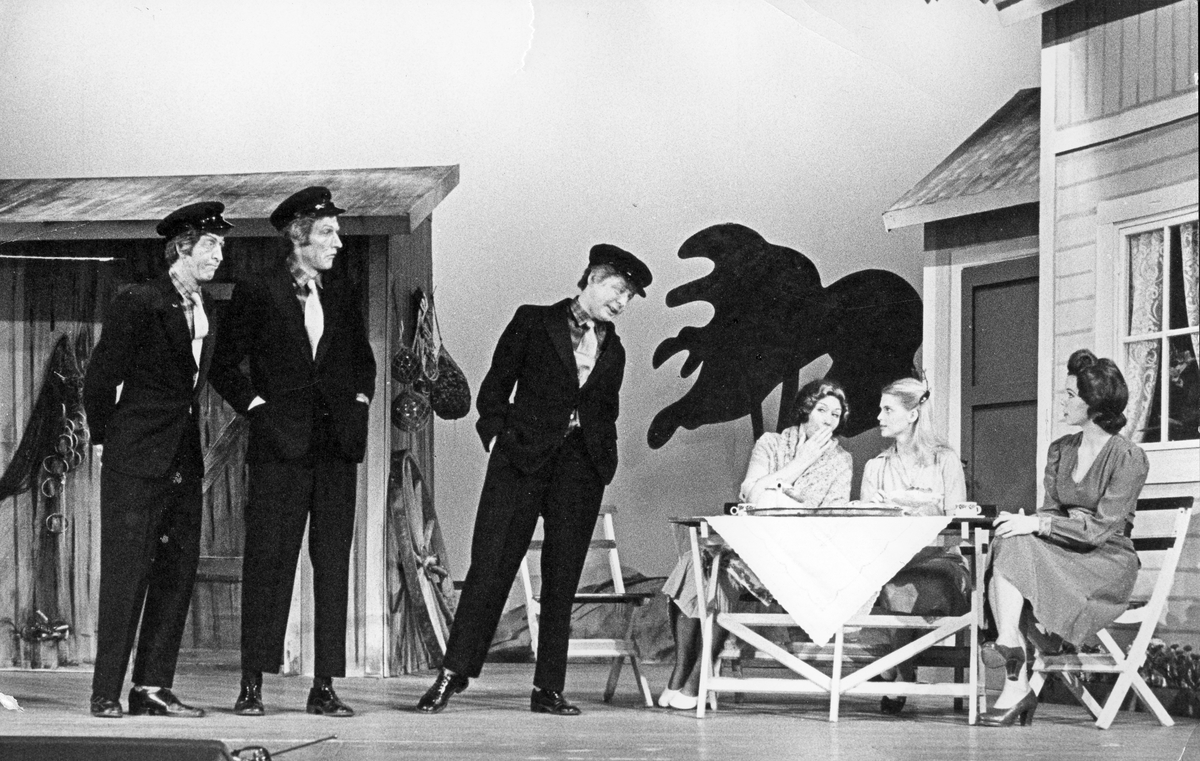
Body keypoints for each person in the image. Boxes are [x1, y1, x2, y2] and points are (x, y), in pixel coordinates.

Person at [415, 244, 653, 716]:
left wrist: (602, 463)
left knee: (562, 580)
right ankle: (452, 674)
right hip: (520, 463)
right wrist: (498, 438)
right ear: (591, 278)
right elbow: (495, 388)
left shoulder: (616, 349)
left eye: (629, 295)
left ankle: (548, 688)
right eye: (618, 289)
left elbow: (605, 411)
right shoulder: (532, 321)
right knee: (490, 568)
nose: (622, 301)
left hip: (579, 471)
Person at [209, 187, 376, 718]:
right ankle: (252, 684)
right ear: (298, 236)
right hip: (280, 449)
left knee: (332, 565)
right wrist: (258, 409)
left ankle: (324, 685)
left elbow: (363, 362)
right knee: (269, 563)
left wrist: (359, 403)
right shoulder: (258, 291)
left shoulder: (342, 290)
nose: (338, 242)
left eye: (337, 232)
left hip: (335, 450)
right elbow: (223, 366)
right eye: (328, 233)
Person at [83, 201, 232, 718]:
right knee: (126, 575)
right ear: (182, 249)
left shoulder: (207, 307)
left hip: (182, 458)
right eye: (210, 244)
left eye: (220, 245)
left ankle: (150, 688)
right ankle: (105, 691)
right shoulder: (140, 301)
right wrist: (104, 440)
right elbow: (101, 377)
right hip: (135, 456)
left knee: (176, 572)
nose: (219, 254)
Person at [658, 379, 854, 710]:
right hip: (753, 543)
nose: (829, 420)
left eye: (836, 414)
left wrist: (782, 494)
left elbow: (831, 518)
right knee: (694, 561)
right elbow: (750, 493)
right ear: (806, 409)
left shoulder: (841, 460)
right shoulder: (770, 444)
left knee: (722, 572)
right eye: (822, 410)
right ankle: (682, 669)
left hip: (798, 557)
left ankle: (698, 676)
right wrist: (799, 463)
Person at [979, 349, 1148, 728]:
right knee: (1009, 538)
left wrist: (1039, 525)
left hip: (1106, 562)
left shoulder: (1128, 457)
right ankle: (1011, 654)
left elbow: (1100, 529)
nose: (1063, 401)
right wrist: (1032, 523)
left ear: (1095, 404)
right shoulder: (1061, 450)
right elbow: (1052, 513)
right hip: (1064, 553)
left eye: (1071, 395)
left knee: (1017, 543)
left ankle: (1011, 663)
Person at [860, 376, 970, 716]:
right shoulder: (876, 467)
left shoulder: (945, 461)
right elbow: (866, 527)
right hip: (893, 560)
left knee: (905, 587)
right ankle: (901, 673)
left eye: (887, 410)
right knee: (888, 582)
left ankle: (896, 670)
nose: (878, 417)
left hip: (939, 560)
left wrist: (927, 512)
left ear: (912, 415)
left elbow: (959, 523)